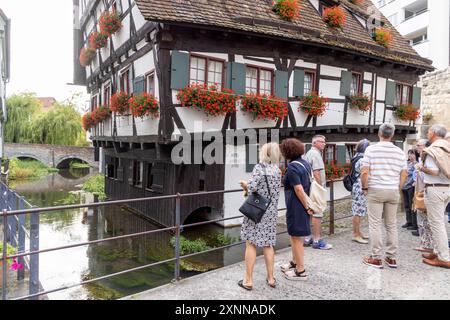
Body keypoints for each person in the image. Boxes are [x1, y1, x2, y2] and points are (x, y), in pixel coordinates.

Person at [360, 123, 407, 268]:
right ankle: (391, 258)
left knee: (375, 224)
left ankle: (376, 258)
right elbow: (404, 174)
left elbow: (365, 172)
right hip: (392, 190)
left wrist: (364, 187)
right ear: (392, 135)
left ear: (379, 134)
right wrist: (397, 188)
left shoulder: (371, 149)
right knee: (391, 225)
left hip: (375, 189)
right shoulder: (400, 152)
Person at [238, 142, 282, 289]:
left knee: (251, 243)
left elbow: (252, 187)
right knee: (268, 244)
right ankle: (271, 278)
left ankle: (248, 281)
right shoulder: (277, 170)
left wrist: (244, 183)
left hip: (257, 210)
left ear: (264, 153)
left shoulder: (259, 168)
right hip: (271, 211)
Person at [279, 138, 313, 280]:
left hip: (297, 206)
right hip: (302, 205)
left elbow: (298, 189)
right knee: (295, 236)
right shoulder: (304, 163)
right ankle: (294, 262)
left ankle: (300, 271)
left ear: (287, 152)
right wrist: (308, 206)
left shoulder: (293, 167)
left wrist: (306, 206)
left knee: (296, 238)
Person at [417, 124, 450, 269]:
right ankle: (438, 251)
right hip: (446, 188)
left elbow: (434, 172)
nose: (428, 133)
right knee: (438, 222)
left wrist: (421, 167)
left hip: (435, 189)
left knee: (436, 224)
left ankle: (444, 257)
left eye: (429, 131)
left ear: (435, 133)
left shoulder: (433, 150)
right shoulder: (447, 148)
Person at [303, 135, 332, 250]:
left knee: (310, 212)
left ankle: (307, 238)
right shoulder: (315, 154)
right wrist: (321, 189)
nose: (324, 144)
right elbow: (316, 173)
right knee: (317, 213)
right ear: (314, 143)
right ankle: (317, 240)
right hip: (315, 188)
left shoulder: (309, 153)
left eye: (325, 142)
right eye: (322, 142)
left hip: (309, 187)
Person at [413, 139, 434, 252]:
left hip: (424, 191)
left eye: (419, 145)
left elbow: (427, 176)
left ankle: (427, 245)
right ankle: (425, 244)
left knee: (425, 220)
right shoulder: (422, 158)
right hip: (420, 190)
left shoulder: (427, 159)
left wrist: (419, 168)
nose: (417, 147)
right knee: (422, 220)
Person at [351, 139, 370, 244]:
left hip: (356, 186)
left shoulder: (356, 156)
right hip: (360, 186)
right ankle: (356, 234)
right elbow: (364, 174)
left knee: (358, 210)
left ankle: (358, 232)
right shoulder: (362, 159)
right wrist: (365, 188)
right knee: (358, 212)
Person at [401, 149, 419, 231]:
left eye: (412, 154)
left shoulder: (417, 164)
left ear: (415, 155)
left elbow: (416, 175)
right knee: (406, 205)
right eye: (409, 154)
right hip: (404, 186)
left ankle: (414, 223)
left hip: (411, 187)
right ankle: (409, 221)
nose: (410, 155)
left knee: (412, 205)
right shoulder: (407, 163)